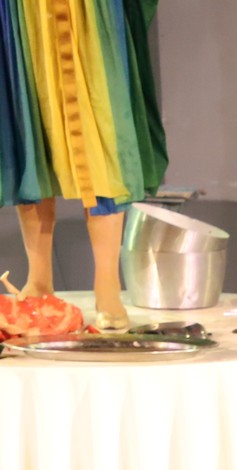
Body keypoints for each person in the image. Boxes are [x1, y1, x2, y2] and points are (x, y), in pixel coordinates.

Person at [2, 0, 168, 330]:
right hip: (21, 8)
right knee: (30, 131)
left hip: (88, 10)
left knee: (101, 133)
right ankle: (39, 279)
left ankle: (107, 285)